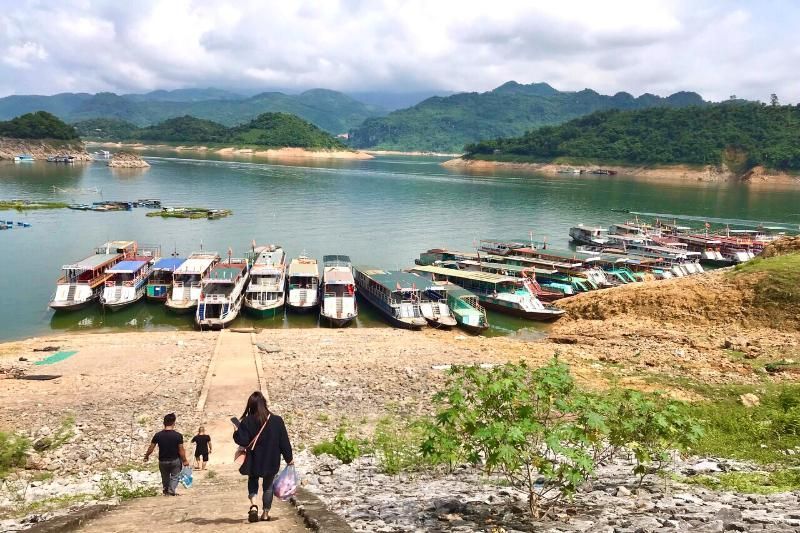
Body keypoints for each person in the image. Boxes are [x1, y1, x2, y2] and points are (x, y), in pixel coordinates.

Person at [233, 391, 293, 522]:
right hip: (271, 459)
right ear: (264, 404)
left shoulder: (247, 421)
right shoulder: (277, 420)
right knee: (268, 486)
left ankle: (253, 506)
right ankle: (265, 513)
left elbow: (242, 441)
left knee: (252, 481)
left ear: (251, 405)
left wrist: (236, 433)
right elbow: (284, 442)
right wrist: (289, 459)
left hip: (253, 459)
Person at [144, 413, 190, 496]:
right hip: (175, 460)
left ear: (164, 423)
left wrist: (146, 456)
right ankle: (171, 490)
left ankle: (166, 490)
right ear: (173, 423)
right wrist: (185, 460)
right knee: (175, 476)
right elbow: (181, 450)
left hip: (163, 460)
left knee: (165, 477)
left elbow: (151, 447)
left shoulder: (158, 435)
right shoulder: (178, 436)